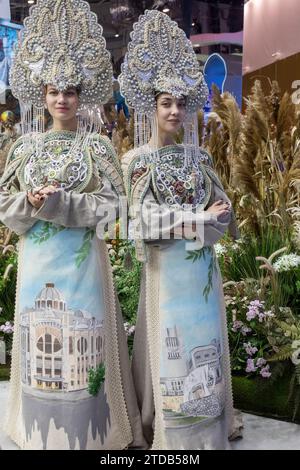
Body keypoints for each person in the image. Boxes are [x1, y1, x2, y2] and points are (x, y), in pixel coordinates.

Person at [0, 0, 145, 450]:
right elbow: (5, 207)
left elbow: (115, 209)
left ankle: (95, 437)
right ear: (41, 96)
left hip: (83, 272)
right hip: (38, 266)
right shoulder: (23, 150)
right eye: (53, 91)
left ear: (81, 96)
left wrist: (64, 203)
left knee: (87, 355)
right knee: (40, 352)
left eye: (70, 91)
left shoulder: (97, 149)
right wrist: (28, 200)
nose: (61, 98)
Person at [120, 10, 240, 450]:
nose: (173, 110)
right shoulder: (135, 161)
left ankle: (209, 426)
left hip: (201, 277)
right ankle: (167, 430)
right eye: (165, 102)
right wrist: (198, 220)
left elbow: (226, 219)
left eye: (180, 103)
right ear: (151, 106)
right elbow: (139, 222)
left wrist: (215, 219)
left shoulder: (202, 161)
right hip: (165, 276)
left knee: (203, 344)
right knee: (169, 355)